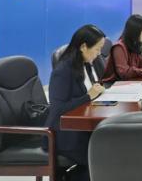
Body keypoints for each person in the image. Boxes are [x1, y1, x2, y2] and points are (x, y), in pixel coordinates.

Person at [44, 25, 107, 181]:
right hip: (63, 134)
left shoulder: (85, 64)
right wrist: (88, 96)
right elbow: (58, 109)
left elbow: (89, 92)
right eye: (97, 49)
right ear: (83, 47)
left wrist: (96, 91)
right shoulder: (62, 72)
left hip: (80, 126)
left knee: (111, 146)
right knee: (104, 157)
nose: (99, 53)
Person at [101, 15, 142, 82]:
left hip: (129, 81)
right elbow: (124, 73)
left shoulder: (134, 44)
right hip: (114, 84)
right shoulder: (119, 47)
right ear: (135, 30)